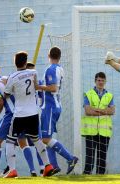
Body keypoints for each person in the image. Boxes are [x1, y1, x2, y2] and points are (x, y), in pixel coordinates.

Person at [4, 51, 54, 177]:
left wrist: (10, 87)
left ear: (15, 63)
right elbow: (36, 86)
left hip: (20, 114)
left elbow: (6, 94)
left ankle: (12, 170)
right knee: (36, 139)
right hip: (33, 113)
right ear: (26, 62)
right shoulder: (33, 73)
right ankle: (47, 165)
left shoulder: (12, 77)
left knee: (10, 141)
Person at [37, 46, 78, 175]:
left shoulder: (51, 69)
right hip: (54, 106)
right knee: (47, 138)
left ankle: (70, 158)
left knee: (45, 139)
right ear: (59, 57)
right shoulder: (60, 68)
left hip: (50, 107)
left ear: (49, 55)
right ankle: (54, 165)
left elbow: (53, 88)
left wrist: (38, 86)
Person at [81, 72, 115, 174]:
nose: (100, 82)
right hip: (91, 131)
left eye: (102, 80)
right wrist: (104, 111)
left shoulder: (109, 96)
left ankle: (100, 175)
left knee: (102, 156)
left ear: (105, 82)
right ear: (95, 81)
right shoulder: (88, 94)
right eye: (98, 80)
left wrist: (95, 110)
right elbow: (88, 111)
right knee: (89, 156)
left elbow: (112, 111)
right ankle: (87, 175)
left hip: (104, 131)